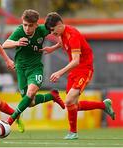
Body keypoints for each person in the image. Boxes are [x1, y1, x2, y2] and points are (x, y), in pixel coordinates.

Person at [41, 12, 115, 140]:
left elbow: (76, 61)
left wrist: (59, 72)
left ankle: (73, 133)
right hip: (74, 71)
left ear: (59, 25)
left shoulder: (73, 35)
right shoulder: (62, 33)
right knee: (71, 104)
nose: (52, 33)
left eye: (53, 30)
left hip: (84, 69)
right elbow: (62, 42)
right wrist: (52, 48)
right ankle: (103, 106)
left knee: (69, 101)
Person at [2, 9, 65, 126]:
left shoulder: (42, 30)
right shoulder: (19, 32)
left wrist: (54, 47)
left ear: (36, 24)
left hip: (35, 68)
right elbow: (4, 44)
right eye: (25, 25)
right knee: (30, 102)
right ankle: (52, 95)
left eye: (30, 25)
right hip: (20, 69)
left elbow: (59, 32)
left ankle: (9, 121)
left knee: (30, 93)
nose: (27, 28)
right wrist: (17, 43)